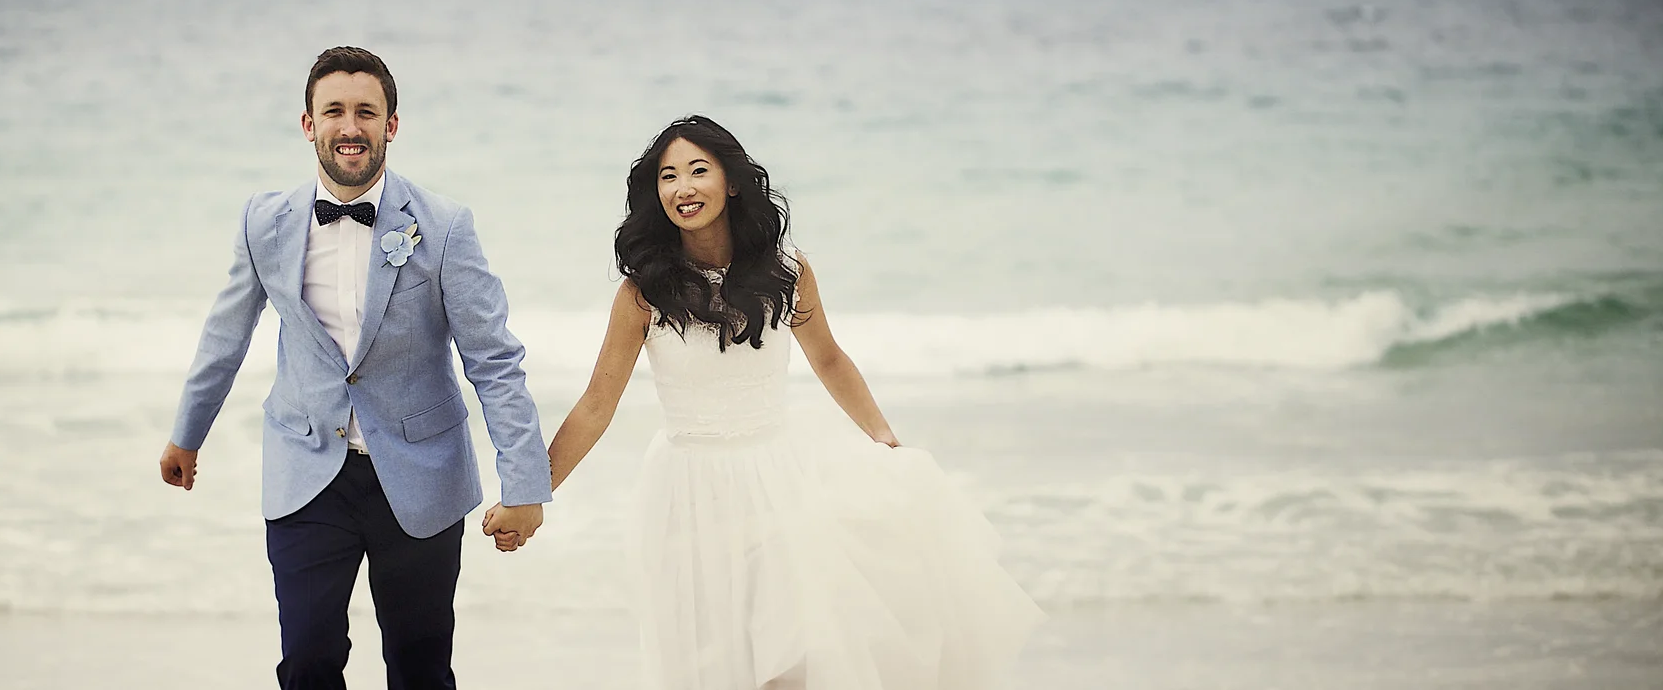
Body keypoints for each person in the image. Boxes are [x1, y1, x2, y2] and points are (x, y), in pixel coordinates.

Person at [514, 115, 1042, 688]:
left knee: (788, 658)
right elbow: (597, 404)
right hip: (687, 497)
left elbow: (830, 360)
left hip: (779, 485)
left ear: (732, 182)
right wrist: (530, 493)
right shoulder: (644, 292)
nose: (682, 188)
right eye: (668, 177)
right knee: (716, 663)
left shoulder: (788, 272)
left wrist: (883, 438)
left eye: (698, 171)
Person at [161, 46, 553, 690]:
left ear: (391, 125)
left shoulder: (446, 225)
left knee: (419, 667)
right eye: (334, 112)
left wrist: (525, 485)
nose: (351, 127)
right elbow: (226, 333)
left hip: (421, 475)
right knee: (308, 662)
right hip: (307, 471)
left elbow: (494, 360)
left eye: (366, 112)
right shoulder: (265, 221)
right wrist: (187, 433)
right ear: (308, 124)